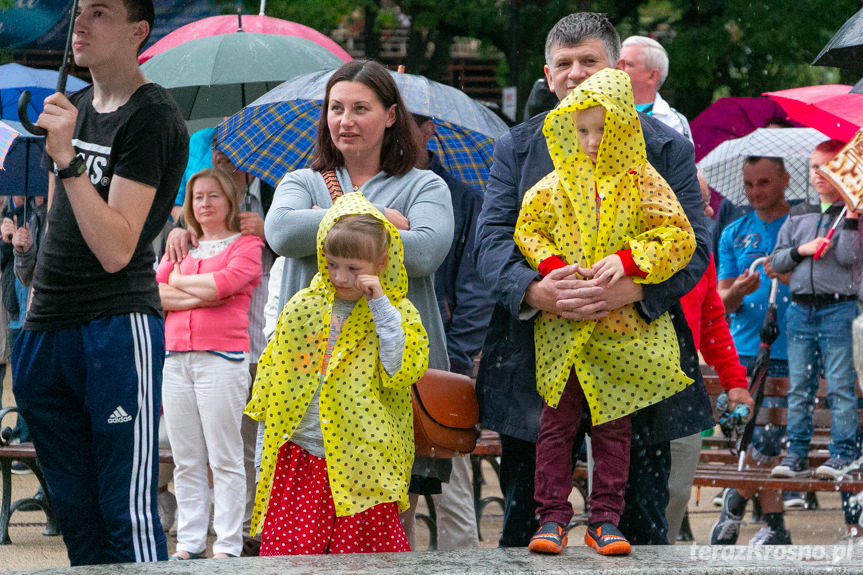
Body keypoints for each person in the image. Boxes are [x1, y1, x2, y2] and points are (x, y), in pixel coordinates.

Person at [475, 12, 714, 548]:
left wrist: (633, 285)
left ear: (618, 71)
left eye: (591, 62)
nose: (576, 74)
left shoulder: (663, 147)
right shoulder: (516, 147)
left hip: (636, 349)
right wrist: (538, 290)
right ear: (547, 72)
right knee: (525, 523)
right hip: (536, 357)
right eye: (564, 64)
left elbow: (695, 246)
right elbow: (489, 245)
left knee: (641, 524)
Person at [11, 0, 188, 565]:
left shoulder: (152, 115)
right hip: (46, 326)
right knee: (74, 512)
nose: (79, 25)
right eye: (79, 11)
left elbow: (116, 248)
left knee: (124, 512)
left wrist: (66, 160)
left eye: (101, 13)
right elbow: (66, 222)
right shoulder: (76, 105)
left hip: (114, 324)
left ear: (138, 30)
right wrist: (37, 282)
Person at [263, 59, 454, 542]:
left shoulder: (424, 184)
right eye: (336, 108)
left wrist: (325, 221)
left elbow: (428, 250)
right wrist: (375, 218)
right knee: (300, 540)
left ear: (391, 115)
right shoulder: (301, 180)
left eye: (360, 108)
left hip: (388, 385)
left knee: (383, 536)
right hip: (311, 383)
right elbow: (283, 232)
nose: (344, 120)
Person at [515, 68, 696, 555]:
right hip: (564, 329)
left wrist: (628, 261)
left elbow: (679, 236)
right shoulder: (553, 186)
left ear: (625, 127)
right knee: (556, 425)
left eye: (603, 129)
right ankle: (550, 516)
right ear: (566, 130)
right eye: (582, 130)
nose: (592, 141)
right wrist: (551, 267)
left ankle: (605, 518)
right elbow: (527, 229)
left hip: (621, 333)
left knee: (615, 429)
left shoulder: (644, 182)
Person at [247, 193, 428, 554]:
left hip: (364, 461)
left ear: (382, 261)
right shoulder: (303, 307)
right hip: (299, 456)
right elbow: (272, 386)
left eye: (353, 268)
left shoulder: (397, 313)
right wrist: (263, 457)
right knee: (295, 558)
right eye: (331, 264)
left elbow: (400, 368)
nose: (340, 277)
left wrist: (380, 306)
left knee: (360, 560)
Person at [156, 168, 263, 559]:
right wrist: (202, 292)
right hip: (176, 358)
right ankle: (189, 542)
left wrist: (181, 282)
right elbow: (157, 294)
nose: (205, 204)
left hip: (222, 360)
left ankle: (229, 543)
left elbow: (227, 285)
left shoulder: (247, 244)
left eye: (213, 196)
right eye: (198, 197)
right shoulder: (181, 246)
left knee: (225, 455)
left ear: (230, 200)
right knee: (186, 457)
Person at [413, 113, 493, 550]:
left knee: (451, 485)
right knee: (391, 495)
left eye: (410, 122)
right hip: (379, 359)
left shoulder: (461, 197)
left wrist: (456, 360)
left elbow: (476, 290)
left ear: (429, 130)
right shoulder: (364, 185)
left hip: (441, 360)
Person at [666, 172, 754, 542]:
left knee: (677, 491)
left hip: (685, 378)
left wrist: (735, 382)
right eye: (699, 200)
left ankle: (660, 556)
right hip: (631, 378)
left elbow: (713, 321)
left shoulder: (701, 250)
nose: (709, 209)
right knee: (626, 492)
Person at [712, 156, 793, 546]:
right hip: (744, 349)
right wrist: (736, 293)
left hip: (794, 347)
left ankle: (735, 499)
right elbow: (720, 302)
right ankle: (775, 529)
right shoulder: (733, 232)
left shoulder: (804, 227)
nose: (755, 192)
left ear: (784, 180)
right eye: (748, 184)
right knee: (753, 439)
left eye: (763, 182)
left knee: (770, 441)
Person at [771, 139, 862, 480]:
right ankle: (795, 452)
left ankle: (843, 452)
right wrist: (802, 250)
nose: (820, 173)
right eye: (814, 166)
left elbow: (850, 258)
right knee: (800, 385)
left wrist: (851, 218)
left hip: (838, 310)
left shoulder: (852, 213)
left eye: (828, 166)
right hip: (800, 311)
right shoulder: (798, 213)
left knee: (839, 384)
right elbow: (777, 259)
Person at [618, 36, 691, 141]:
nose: (617, 68)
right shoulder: (598, 110)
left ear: (652, 76)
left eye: (628, 64)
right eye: (618, 63)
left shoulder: (674, 123)